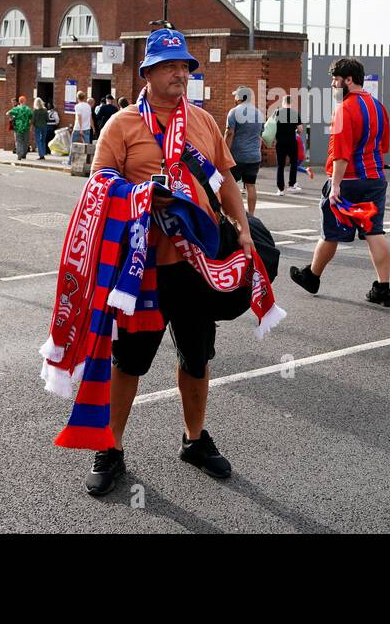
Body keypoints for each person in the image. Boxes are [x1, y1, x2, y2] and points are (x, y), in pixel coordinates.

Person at [83, 28, 250, 496]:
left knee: (196, 359)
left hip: (195, 265)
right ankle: (110, 447)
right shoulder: (121, 126)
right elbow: (98, 187)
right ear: (148, 73)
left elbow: (226, 183)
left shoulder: (202, 121)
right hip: (141, 268)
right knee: (129, 363)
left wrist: (242, 226)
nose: (181, 73)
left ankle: (194, 440)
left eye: (186, 67)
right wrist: (139, 194)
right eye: (171, 66)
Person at [289, 57, 390, 307]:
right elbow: (384, 145)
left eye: (335, 80)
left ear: (348, 80)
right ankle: (383, 288)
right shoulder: (378, 106)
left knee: (331, 233)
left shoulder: (344, 108)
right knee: (374, 231)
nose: (333, 85)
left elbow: (341, 153)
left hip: (348, 181)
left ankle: (312, 276)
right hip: (375, 178)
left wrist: (335, 185)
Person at [224, 86, 265, 216]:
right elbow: (260, 135)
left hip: (237, 156)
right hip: (254, 156)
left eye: (235, 95)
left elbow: (229, 133)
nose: (234, 98)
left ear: (239, 97)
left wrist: (224, 151)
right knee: (250, 185)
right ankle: (251, 215)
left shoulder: (234, 112)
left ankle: (234, 213)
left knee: (230, 185)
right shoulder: (259, 113)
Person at [273, 93, 304, 195]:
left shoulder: (277, 112)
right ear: (292, 103)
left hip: (280, 142)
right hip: (291, 142)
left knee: (280, 166)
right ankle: (291, 185)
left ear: (283, 102)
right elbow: (300, 129)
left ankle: (280, 189)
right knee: (293, 163)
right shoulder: (295, 113)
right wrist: (295, 132)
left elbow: (271, 127)